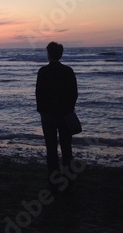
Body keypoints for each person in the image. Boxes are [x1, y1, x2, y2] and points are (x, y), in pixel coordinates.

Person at [35, 42, 78, 192]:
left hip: (48, 115)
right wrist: (69, 109)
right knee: (67, 147)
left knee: (51, 147)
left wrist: (42, 111)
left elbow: (39, 94)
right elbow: (74, 93)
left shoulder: (43, 72)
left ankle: (53, 180)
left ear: (49, 53)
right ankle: (69, 179)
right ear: (61, 54)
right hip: (65, 114)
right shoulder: (68, 71)